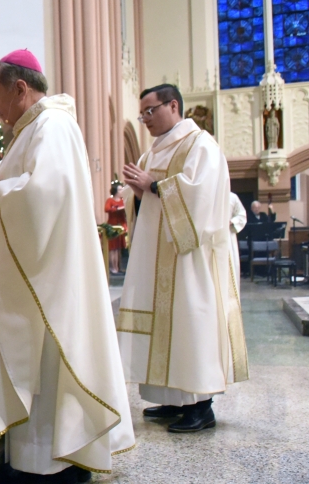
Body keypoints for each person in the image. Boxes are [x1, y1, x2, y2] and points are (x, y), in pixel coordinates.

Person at [0, 49, 134, 482]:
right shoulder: (33, 129)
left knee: (48, 366)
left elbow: (40, 195)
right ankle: (34, 460)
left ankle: (52, 466)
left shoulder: (52, 126)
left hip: (48, 282)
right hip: (37, 276)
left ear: (20, 88)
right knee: (35, 368)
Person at [119, 84, 248, 434]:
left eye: (150, 111)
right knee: (167, 326)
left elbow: (201, 197)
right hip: (157, 257)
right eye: (141, 113)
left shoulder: (200, 145)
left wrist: (155, 186)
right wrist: (137, 195)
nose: (144, 119)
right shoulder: (151, 154)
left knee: (191, 324)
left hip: (190, 259)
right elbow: (144, 201)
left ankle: (201, 406)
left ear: (173, 105)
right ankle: (175, 399)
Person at [105, 183, 127, 273]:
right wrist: (116, 209)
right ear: (115, 191)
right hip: (113, 226)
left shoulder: (123, 200)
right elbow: (106, 209)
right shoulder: (110, 200)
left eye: (122, 189)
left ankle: (118, 267)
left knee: (119, 248)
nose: (122, 191)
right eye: (120, 189)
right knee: (113, 248)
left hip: (121, 226)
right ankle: (113, 267)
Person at [230, 192, 247, 287]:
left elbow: (242, 215)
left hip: (228, 236)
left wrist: (232, 221)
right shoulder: (206, 194)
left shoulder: (232, 197)